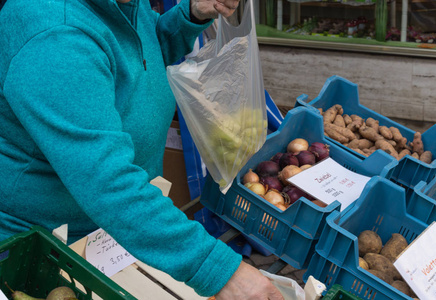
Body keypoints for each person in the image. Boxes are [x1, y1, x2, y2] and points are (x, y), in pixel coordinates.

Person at [0, 0, 284, 299]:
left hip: (119, 232)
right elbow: (109, 184)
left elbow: (140, 49)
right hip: (51, 245)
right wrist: (218, 270)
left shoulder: (119, 4)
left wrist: (189, 16)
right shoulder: (55, 38)